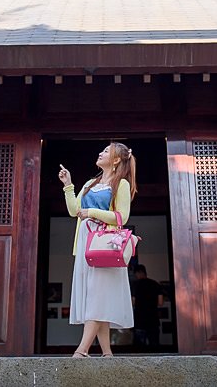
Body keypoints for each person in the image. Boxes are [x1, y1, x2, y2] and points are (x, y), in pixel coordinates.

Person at [58, 142, 137, 358]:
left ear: (116, 160)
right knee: (95, 295)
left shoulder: (120, 184)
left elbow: (121, 217)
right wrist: (68, 185)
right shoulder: (90, 183)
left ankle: (82, 350)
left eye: (105, 151)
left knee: (96, 296)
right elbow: (75, 211)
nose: (100, 153)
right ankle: (107, 352)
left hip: (104, 243)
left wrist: (92, 212)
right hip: (86, 242)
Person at [130, 264, 164, 351]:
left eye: (136, 274)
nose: (136, 276)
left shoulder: (135, 285)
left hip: (139, 320)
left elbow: (132, 302)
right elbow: (160, 303)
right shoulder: (155, 284)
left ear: (139, 273)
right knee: (155, 346)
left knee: (139, 349)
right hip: (153, 320)